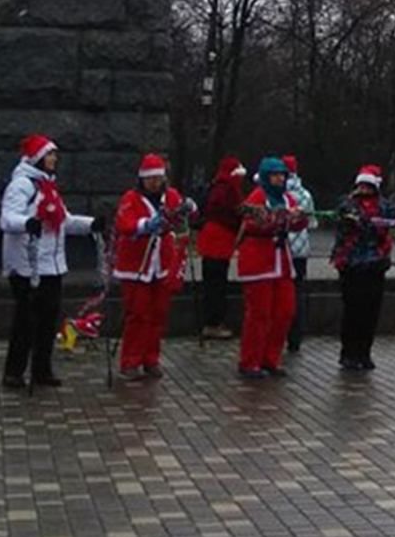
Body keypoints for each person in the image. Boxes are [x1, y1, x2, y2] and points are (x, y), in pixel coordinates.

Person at [0, 135, 95, 390]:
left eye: (54, 155)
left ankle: (42, 369)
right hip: (26, 265)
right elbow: (7, 219)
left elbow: (64, 220)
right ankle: (14, 372)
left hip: (52, 264)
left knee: (48, 321)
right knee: (26, 321)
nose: (54, 159)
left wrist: (91, 225)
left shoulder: (48, 186)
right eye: (49, 155)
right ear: (38, 158)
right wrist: (26, 223)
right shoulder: (21, 186)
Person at [113, 154, 188, 382]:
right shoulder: (131, 199)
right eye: (150, 179)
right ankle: (130, 361)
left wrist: (186, 212)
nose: (155, 183)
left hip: (161, 264)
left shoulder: (171, 196)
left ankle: (150, 358)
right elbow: (124, 224)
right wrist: (145, 225)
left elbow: (181, 220)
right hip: (137, 265)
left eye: (158, 178)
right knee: (138, 313)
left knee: (158, 314)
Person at [234, 156, 304, 379]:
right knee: (259, 313)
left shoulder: (287, 198)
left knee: (285, 311)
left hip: (281, 262)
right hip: (258, 262)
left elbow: (299, 224)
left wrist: (297, 218)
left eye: (282, 174)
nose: (279, 179)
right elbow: (251, 223)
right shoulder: (257, 197)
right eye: (275, 175)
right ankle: (250, 361)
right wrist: (276, 220)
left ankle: (270, 358)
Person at [331, 165, 393, 371]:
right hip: (352, 264)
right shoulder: (348, 204)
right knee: (353, 310)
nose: (364, 190)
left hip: (375, 264)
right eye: (362, 186)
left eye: (368, 186)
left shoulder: (383, 206)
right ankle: (348, 353)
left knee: (371, 311)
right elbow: (344, 218)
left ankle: (364, 352)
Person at [195, 156, 246, 340]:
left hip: (210, 239)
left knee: (211, 282)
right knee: (217, 283)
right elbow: (236, 213)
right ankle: (214, 323)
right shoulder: (229, 190)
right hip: (220, 240)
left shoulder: (216, 186)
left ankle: (211, 322)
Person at [283, 155, 314, 354]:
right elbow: (312, 222)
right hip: (300, 251)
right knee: (297, 293)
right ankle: (295, 338)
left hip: (281, 249)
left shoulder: (277, 193)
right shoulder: (305, 194)